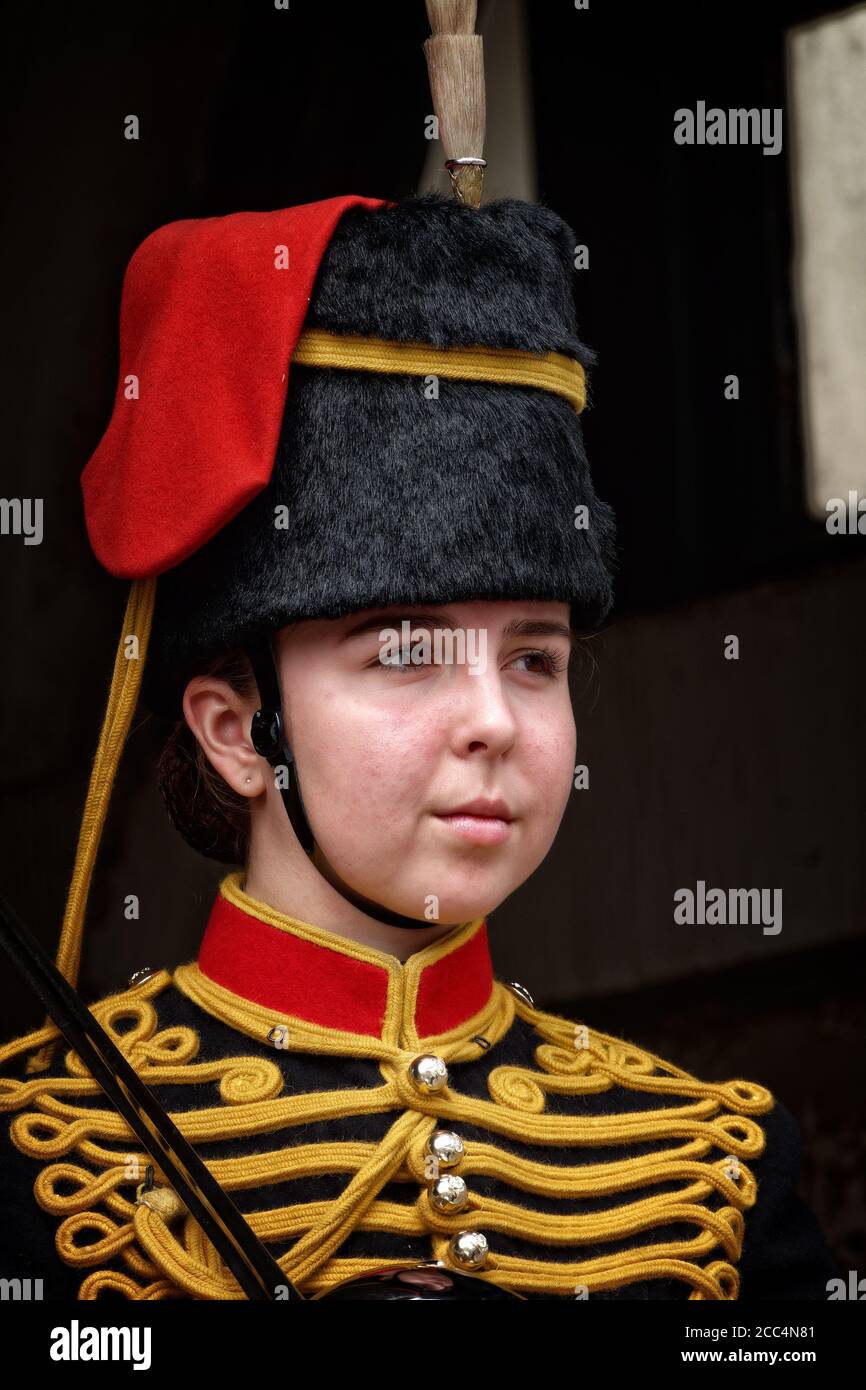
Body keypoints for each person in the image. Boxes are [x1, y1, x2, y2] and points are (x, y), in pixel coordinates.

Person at [0, 181, 840, 1302]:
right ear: (238, 730)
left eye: (533, 659)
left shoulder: (713, 1174)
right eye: (404, 650)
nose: (493, 719)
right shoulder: (38, 1154)